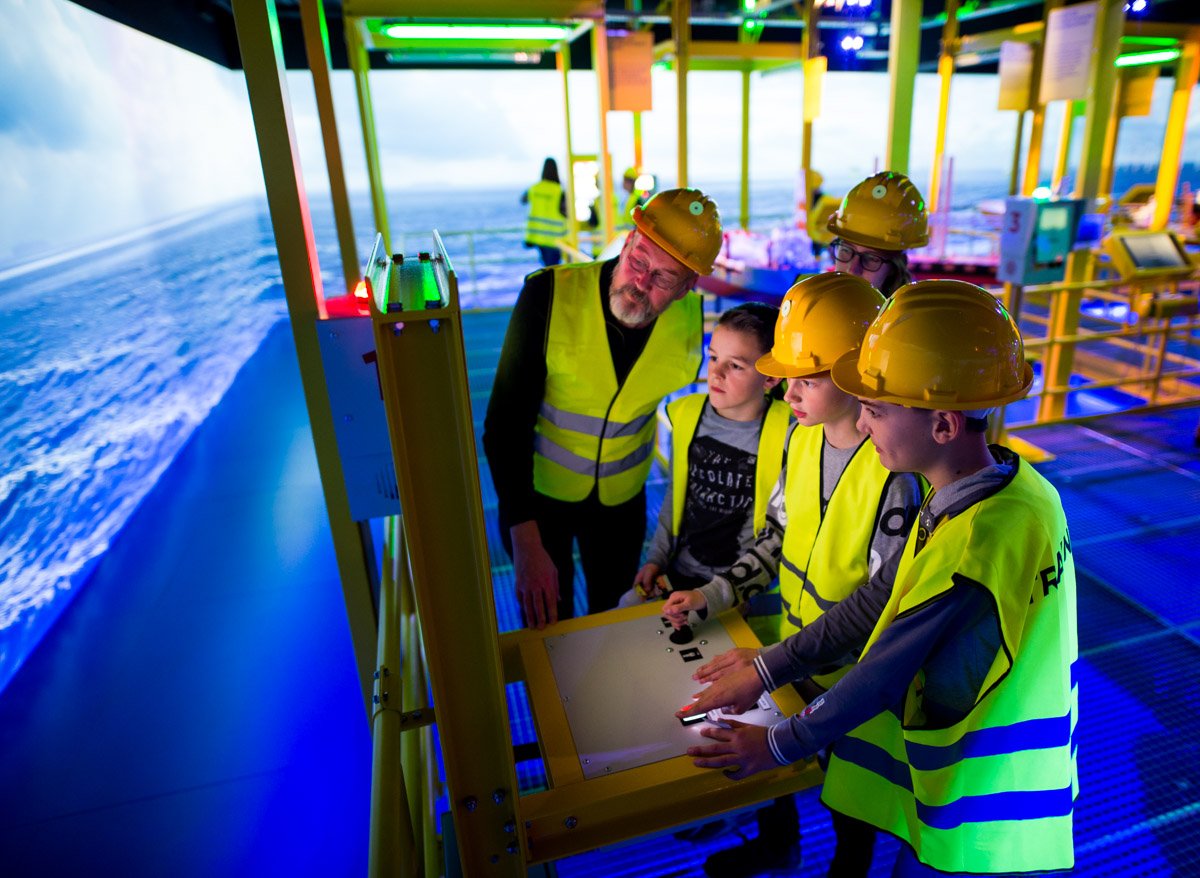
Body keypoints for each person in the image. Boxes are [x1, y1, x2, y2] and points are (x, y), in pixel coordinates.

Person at [679, 280, 1078, 876]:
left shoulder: (975, 543)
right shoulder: (1006, 491)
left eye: (876, 410)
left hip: (981, 809)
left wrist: (775, 745)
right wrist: (766, 669)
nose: (863, 425)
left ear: (943, 425)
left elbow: (881, 674)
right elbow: (879, 597)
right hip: (978, 775)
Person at [662, 273, 925, 877]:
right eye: (788, 376)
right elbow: (776, 535)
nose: (788, 390)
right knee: (786, 771)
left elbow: (880, 604)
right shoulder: (803, 440)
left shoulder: (896, 473)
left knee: (852, 803)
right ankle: (782, 848)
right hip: (795, 655)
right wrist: (713, 594)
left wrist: (774, 663)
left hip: (855, 679)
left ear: (856, 378)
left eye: (806, 378)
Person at [483, 188, 723, 629]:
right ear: (629, 240)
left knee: (614, 622)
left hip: (622, 507)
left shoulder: (693, 321)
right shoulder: (548, 294)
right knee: (548, 629)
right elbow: (504, 425)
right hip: (540, 499)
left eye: (664, 278)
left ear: (688, 286)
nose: (641, 283)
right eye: (639, 261)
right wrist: (524, 539)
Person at [615, 302, 790, 607]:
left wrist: (730, 592)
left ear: (771, 378)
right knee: (626, 607)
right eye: (714, 358)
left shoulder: (788, 434)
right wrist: (656, 559)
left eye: (735, 366)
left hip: (741, 589)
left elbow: (779, 532)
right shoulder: (688, 415)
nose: (716, 373)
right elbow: (675, 498)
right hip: (680, 572)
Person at [826, 171, 929, 296]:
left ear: (894, 269)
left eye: (871, 258)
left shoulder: (906, 309)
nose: (852, 269)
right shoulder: (811, 300)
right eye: (846, 250)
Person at [521, 158, 569, 267]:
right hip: (555, 239)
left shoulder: (534, 188)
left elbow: (523, 200)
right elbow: (566, 212)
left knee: (546, 267)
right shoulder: (559, 190)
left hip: (538, 237)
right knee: (553, 268)